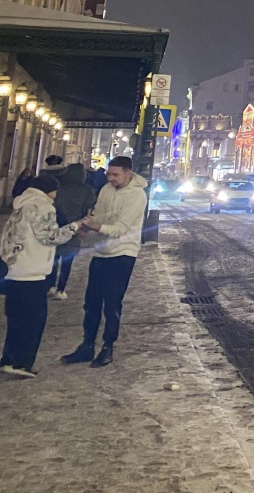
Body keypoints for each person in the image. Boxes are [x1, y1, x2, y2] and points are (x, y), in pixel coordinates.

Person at [62, 156, 146, 369]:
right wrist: (86, 228)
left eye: (115, 174)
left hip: (123, 254)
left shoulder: (137, 196)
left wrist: (97, 226)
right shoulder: (106, 190)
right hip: (101, 252)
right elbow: (99, 215)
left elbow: (121, 228)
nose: (110, 178)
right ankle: (87, 345)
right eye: (109, 174)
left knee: (112, 303)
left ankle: (108, 346)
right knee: (91, 301)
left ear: (128, 173)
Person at [0, 174, 83, 377]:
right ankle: (22, 363)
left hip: (14, 270)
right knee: (34, 320)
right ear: (50, 190)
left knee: (16, 319)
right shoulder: (42, 206)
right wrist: (75, 226)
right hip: (32, 272)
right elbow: (50, 237)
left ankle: (8, 359)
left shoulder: (21, 204)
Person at [49, 163, 97, 298]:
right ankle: (61, 290)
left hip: (57, 226)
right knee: (67, 261)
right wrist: (84, 227)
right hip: (75, 228)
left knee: (53, 258)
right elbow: (89, 210)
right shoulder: (87, 190)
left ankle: (51, 285)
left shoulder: (60, 188)